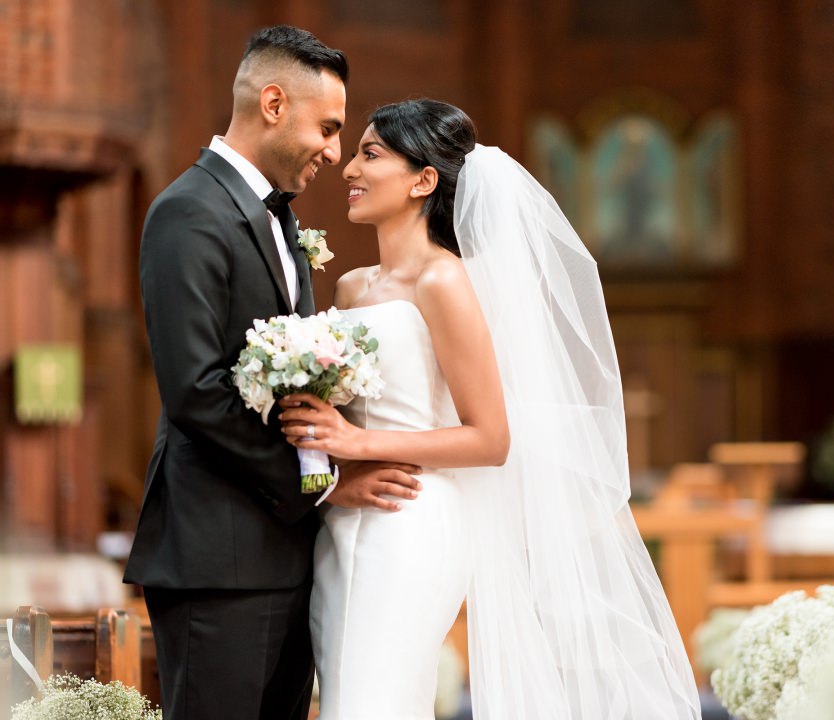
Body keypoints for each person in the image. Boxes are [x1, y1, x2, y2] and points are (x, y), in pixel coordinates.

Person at [279, 99, 702, 719]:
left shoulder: (445, 283)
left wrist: (360, 445)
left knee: (371, 703)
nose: (348, 170)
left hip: (411, 520)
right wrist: (335, 472)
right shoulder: (350, 287)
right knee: (356, 698)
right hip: (345, 519)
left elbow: (490, 438)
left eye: (371, 155)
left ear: (424, 180)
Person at [124, 27, 421, 720]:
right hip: (217, 561)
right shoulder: (187, 214)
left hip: (286, 556)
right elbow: (196, 392)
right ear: (274, 102)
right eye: (327, 127)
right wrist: (323, 482)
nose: (335, 151)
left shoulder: (280, 221)